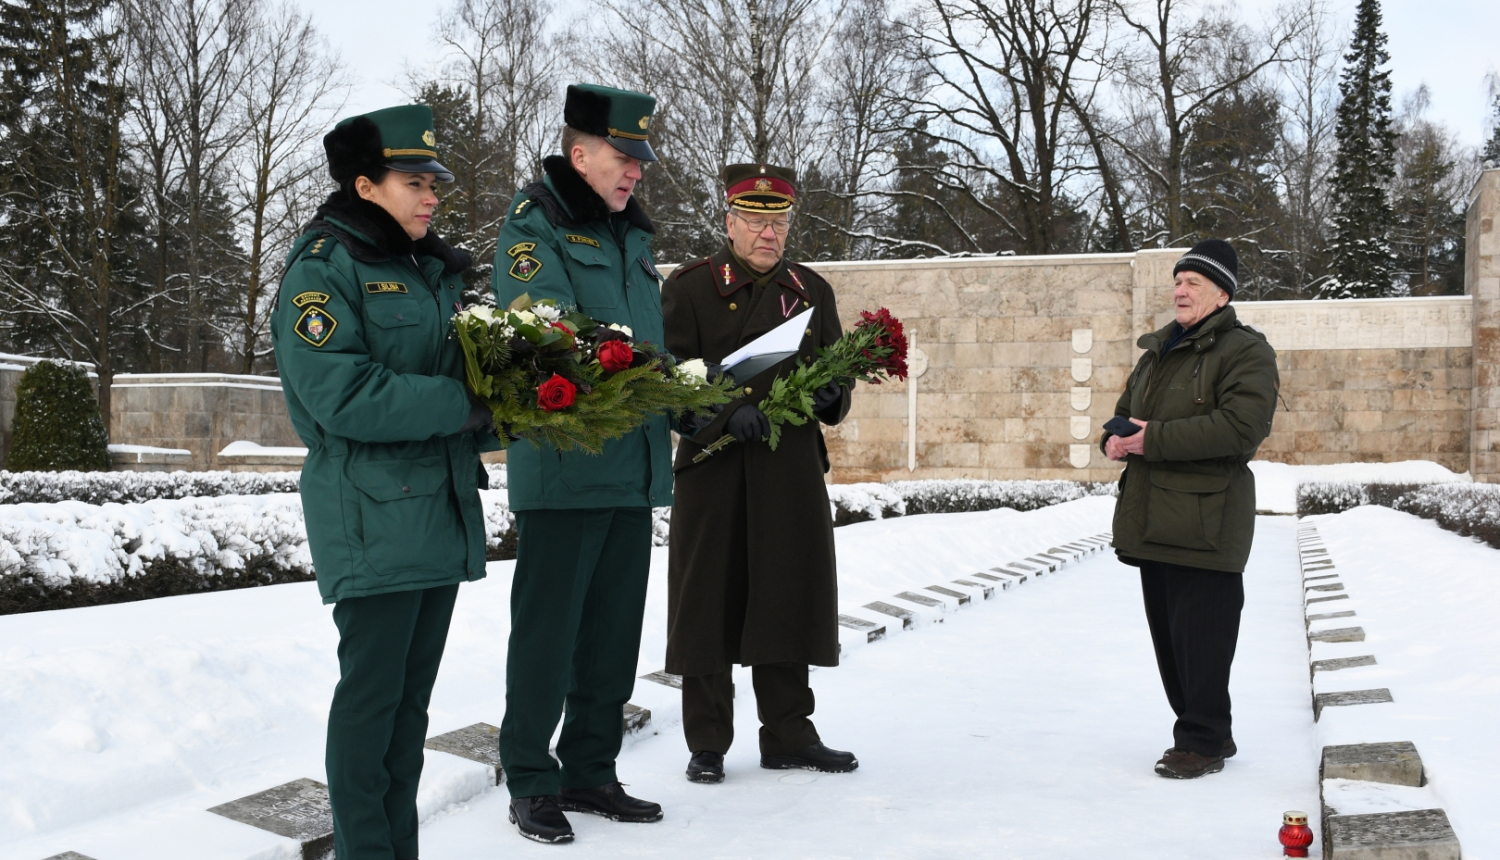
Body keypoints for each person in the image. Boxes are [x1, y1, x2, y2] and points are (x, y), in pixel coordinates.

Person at [272, 105, 498, 860]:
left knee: (408, 715)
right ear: (365, 184)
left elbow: (455, 382)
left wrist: (513, 403)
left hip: (432, 511)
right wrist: (463, 406)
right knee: (372, 711)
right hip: (370, 516)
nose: (432, 193)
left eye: (435, 179)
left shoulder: (426, 269)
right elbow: (341, 395)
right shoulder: (322, 270)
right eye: (414, 180)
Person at [489, 83, 671, 845]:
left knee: (612, 632)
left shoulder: (632, 237)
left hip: (629, 466)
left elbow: (641, 338)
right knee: (549, 635)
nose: (634, 172)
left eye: (640, 161)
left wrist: (678, 392)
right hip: (566, 467)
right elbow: (553, 332)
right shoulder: (537, 228)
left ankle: (591, 769)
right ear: (580, 152)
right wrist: (660, 377)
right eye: (623, 157)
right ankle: (531, 781)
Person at [661, 163, 857, 785]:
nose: (768, 234)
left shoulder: (811, 290)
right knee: (707, 601)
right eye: (755, 221)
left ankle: (790, 733)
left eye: (779, 222)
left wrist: (831, 394)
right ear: (729, 222)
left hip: (787, 466)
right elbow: (665, 382)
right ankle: (708, 742)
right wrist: (725, 414)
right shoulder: (690, 288)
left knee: (786, 594)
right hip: (715, 468)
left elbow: (836, 369)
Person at [1101, 238, 1279, 779]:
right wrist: (1112, 439)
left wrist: (1150, 439)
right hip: (1153, 518)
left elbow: (1241, 430)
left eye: (1192, 283)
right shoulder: (1157, 351)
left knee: (1202, 639)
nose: (1179, 290)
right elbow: (1125, 414)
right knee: (1172, 643)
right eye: (1177, 281)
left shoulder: (1246, 351)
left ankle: (1201, 739)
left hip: (1206, 523)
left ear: (1221, 293)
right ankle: (1203, 732)